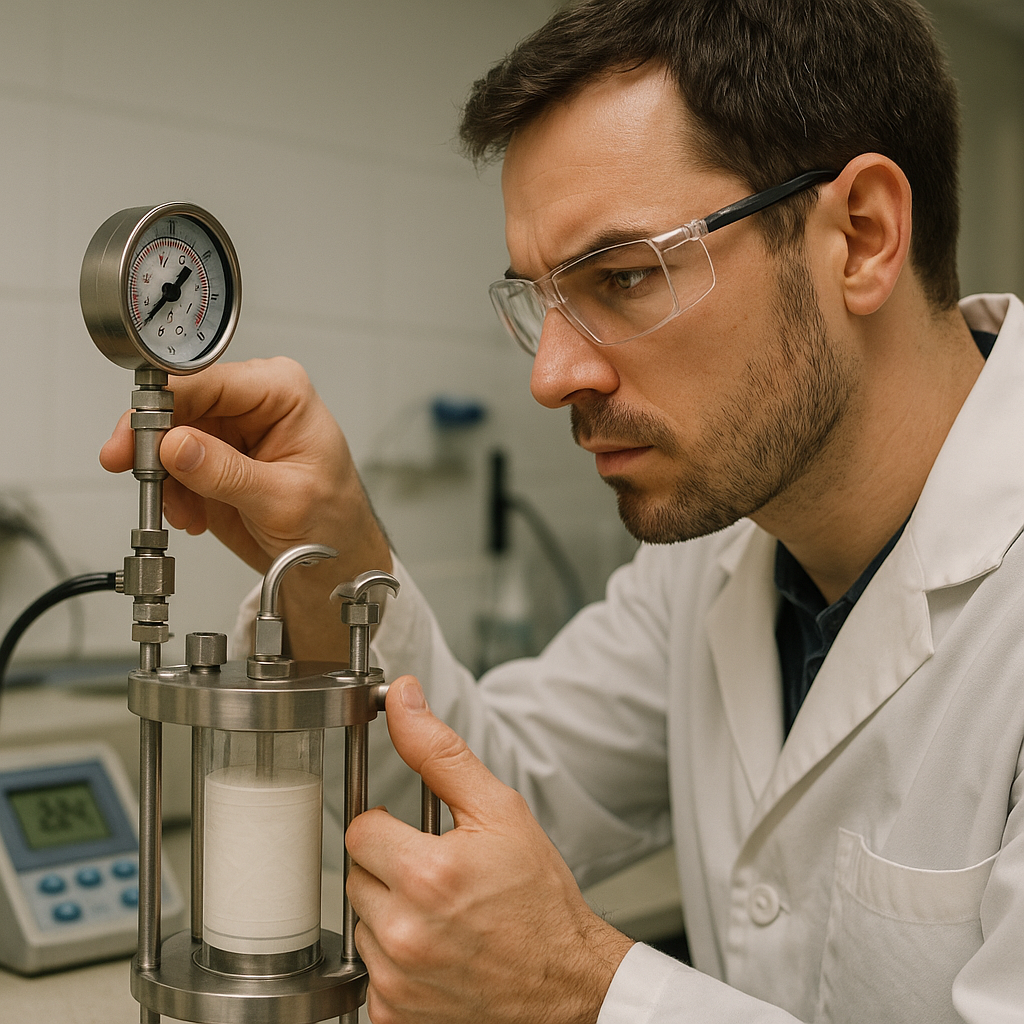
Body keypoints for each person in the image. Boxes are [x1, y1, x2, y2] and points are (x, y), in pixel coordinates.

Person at [101, 1, 1024, 1021]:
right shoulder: (715, 553)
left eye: (624, 276)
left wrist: (588, 990)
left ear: (860, 238)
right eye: (540, 303)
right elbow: (490, 804)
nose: (551, 376)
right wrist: (335, 553)